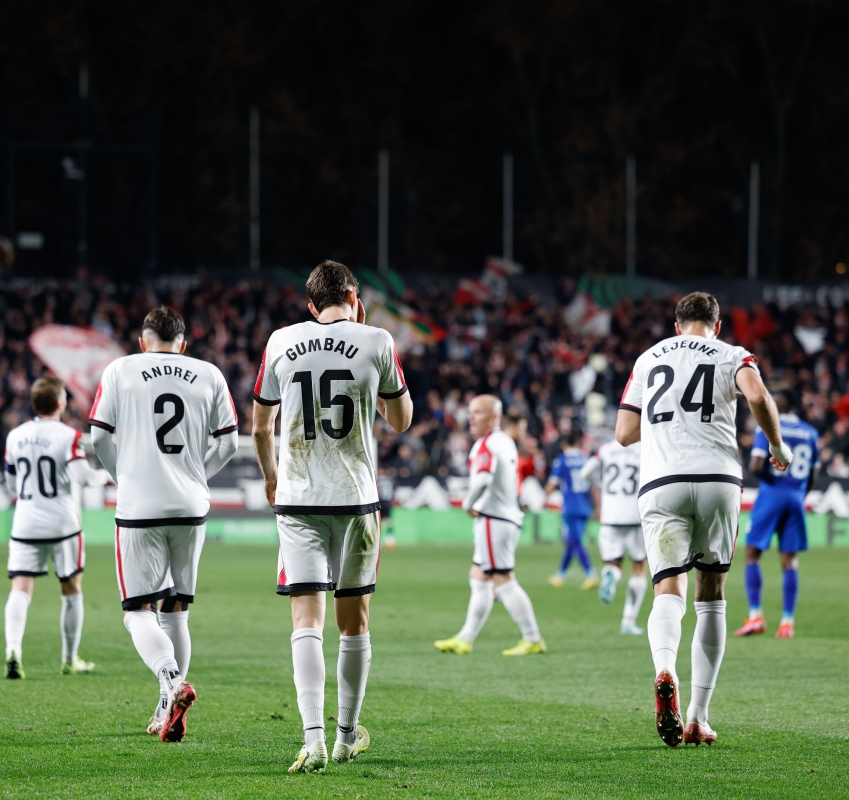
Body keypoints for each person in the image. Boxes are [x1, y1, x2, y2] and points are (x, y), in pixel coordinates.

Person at [252, 260, 413, 773]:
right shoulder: (377, 340)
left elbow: (261, 426)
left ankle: (313, 739)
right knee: (354, 623)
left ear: (311, 304)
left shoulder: (281, 340)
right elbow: (401, 420)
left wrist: (272, 477)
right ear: (353, 296)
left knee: (306, 621)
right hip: (355, 499)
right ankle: (346, 736)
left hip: (298, 497)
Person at [616, 291, 792, 747]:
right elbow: (757, 395)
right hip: (717, 479)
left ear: (677, 325)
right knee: (711, 596)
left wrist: (668, 426)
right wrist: (776, 446)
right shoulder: (732, 354)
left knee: (667, 590)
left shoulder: (648, 358)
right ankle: (698, 716)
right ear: (717, 325)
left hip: (662, 482)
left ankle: (665, 668)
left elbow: (624, 433)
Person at [89, 307, 239, 743]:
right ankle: (164, 707)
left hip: (140, 505)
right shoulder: (209, 373)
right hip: (190, 506)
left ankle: (172, 682)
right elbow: (229, 443)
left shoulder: (121, 369)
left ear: (142, 342)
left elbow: (98, 436)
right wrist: (196, 477)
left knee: (138, 611)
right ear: (183, 344)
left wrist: (123, 477)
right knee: (176, 609)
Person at [2, 375, 109, 680]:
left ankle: (13, 650)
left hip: (25, 523)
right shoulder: (68, 436)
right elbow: (83, 477)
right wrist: (106, 476)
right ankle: (70, 659)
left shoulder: (15, 436)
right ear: (60, 403)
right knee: (71, 589)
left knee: (20, 589)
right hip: (63, 525)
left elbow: (12, 485)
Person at [434, 396, 545, 656]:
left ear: (494, 417)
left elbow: (483, 479)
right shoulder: (504, 441)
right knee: (479, 576)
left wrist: (467, 504)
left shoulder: (487, 444)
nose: (470, 417)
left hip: (494, 519)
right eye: (470, 412)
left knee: (503, 579)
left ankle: (532, 638)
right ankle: (465, 638)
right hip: (504, 517)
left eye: (478, 412)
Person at [735, 392, 819, 639]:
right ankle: (787, 623)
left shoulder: (768, 427)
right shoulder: (811, 432)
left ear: (775, 406)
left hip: (771, 494)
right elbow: (813, 474)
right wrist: (798, 495)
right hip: (796, 498)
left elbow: (756, 465)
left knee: (752, 554)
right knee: (789, 560)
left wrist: (767, 481)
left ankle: (756, 617)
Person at [581, 438, 649, 634]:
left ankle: (610, 574)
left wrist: (602, 487)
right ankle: (628, 621)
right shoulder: (645, 448)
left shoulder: (606, 449)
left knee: (612, 563)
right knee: (638, 567)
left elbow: (585, 472)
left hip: (610, 514)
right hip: (635, 514)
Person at [545, 430, 598, 589]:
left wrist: (543, 498)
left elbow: (553, 483)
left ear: (563, 444)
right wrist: (598, 507)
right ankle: (560, 575)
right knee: (571, 542)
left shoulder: (562, 460)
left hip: (571, 506)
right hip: (585, 506)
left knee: (575, 542)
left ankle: (591, 574)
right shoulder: (586, 459)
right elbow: (595, 486)